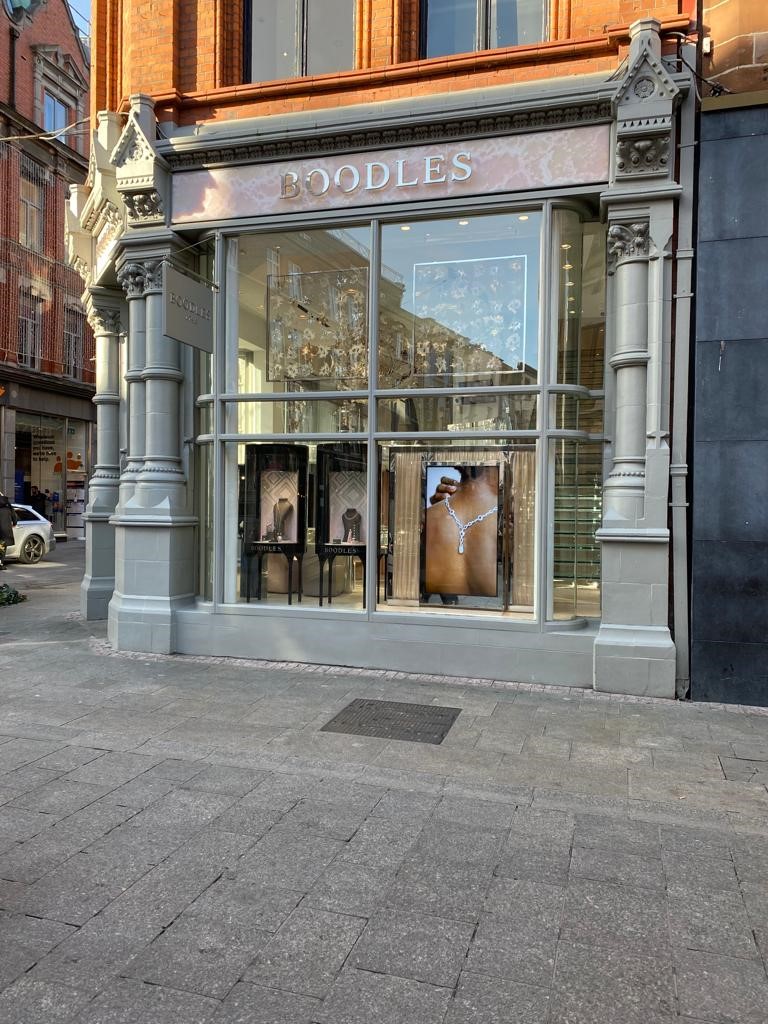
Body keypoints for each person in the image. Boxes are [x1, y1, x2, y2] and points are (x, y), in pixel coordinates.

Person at [0, 493, 18, 570]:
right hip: (5, 532)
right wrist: (14, 523)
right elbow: (14, 516)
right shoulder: (8, 507)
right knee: (2, 548)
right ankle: (0, 564)